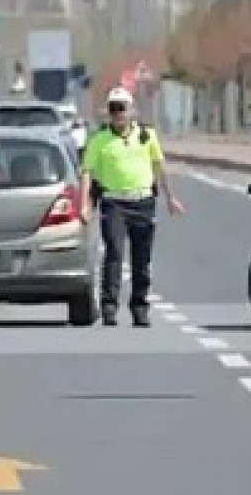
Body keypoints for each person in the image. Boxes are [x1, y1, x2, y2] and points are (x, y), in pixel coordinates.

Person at [79, 86, 185, 327]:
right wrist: (85, 204)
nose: (117, 114)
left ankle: (139, 306)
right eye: (113, 109)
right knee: (114, 253)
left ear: (132, 111)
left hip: (143, 202)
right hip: (114, 202)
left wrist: (171, 198)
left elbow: (159, 167)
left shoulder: (147, 137)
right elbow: (87, 173)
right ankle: (109, 306)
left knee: (142, 258)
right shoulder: (99, 140)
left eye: (121, 108)